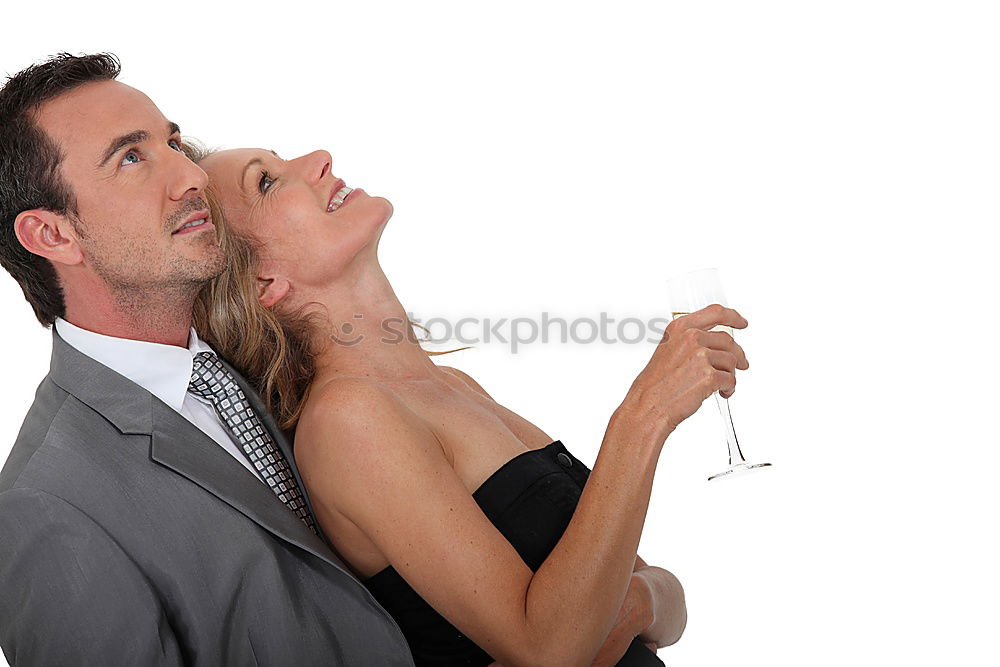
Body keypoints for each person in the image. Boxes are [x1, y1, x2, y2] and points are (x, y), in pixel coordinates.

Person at [191, 143, 751, 665]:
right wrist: (646, 415)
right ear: (263, 283)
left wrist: (637, 601)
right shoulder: (347, 419)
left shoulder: (453, 385)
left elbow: (666, 603)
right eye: (266, 182)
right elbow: (546, 648)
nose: (318, 157)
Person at [0, 53, 415, 666]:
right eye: (132, 157)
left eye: (172, 142)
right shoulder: (45, 508)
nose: (190, 176)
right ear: (53, 235)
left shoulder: (266, 358)